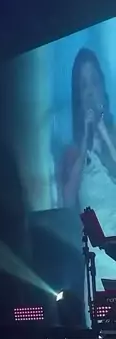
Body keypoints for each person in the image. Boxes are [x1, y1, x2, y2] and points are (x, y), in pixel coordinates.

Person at [61, 48, 116, 292]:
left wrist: (103, 130)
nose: (90, 91)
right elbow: (68, 199)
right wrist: (85, 139)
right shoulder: (73, 152)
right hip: (95, 264)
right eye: (84, 85)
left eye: (94, 81)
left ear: (103, 86)